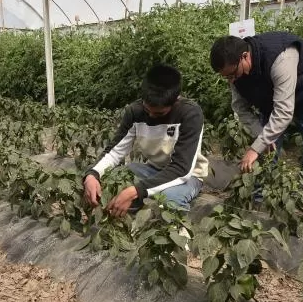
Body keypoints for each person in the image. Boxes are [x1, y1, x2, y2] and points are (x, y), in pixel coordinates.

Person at [209, 32, 303, 219]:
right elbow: (240, 108)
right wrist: (261, 137)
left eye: (233, 74)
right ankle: (258, 200)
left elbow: (284, 113)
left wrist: (255, 147)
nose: (231, 81)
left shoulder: (281, 57)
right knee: (267, 151)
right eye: (226, 77)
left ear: (244, 57)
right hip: (272, 100)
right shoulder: (235, 72)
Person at [83, 64, 209, 217]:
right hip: (152, 170)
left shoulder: (190, 114)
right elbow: (115, 152)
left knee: (169, 200)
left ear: (176, 100)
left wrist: (135, 191)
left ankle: (179, 237)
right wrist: (92, 174)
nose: (151, 116)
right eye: (147, 110)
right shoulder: (134, 112)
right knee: (113, 179)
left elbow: (181, 169)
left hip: (188, 176)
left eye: (159, 113)